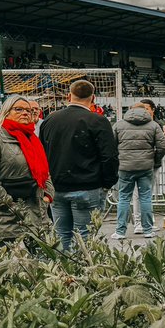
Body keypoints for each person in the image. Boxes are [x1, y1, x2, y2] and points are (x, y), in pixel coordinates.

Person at [39, 80, 118, 251]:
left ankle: (62, 274)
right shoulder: (98, 121)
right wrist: (107, 183)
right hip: (87, 186)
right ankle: (83, 273)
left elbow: (42, 154)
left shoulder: (50, 120)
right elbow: (109, 156)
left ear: (69, 96)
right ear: (93, 98)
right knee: (85, 237)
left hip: (57, 187)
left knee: (61, 235)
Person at [0, 96, 54, 243]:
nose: (25, 113)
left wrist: (48, 196)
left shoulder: (33, 140)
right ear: (6, 112)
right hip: (3, 220)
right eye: (18, 109)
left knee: (40, 262)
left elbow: (44, 172)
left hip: (37, 215)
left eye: (29, 110)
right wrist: (9, 204)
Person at [112, 102, 165, 239]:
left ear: (130, 110)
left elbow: (111, 146)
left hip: (125, 167)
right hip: (146, 166)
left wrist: (118, 160)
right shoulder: (153, 125)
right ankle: (147, 229)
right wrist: (156, 161)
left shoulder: (119, 125)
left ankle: (120, 231)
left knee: (124, 198)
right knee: (145, 198)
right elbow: (162, 146)